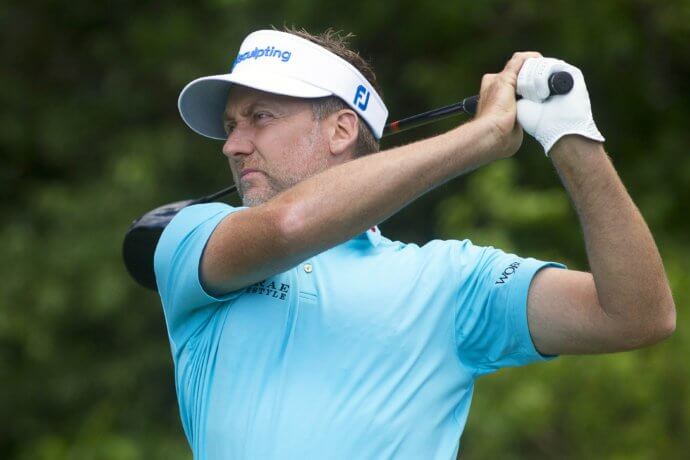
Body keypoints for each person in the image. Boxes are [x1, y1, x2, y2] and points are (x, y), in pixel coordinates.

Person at [154, 27, 676, 459]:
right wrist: (481, 137)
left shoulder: (452, 279)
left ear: (340, 131)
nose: (233, 145)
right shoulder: (192, 236)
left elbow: (637, 315)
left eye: (260, 117)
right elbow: (288, 226)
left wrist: (572, 138)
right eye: (229, 125)